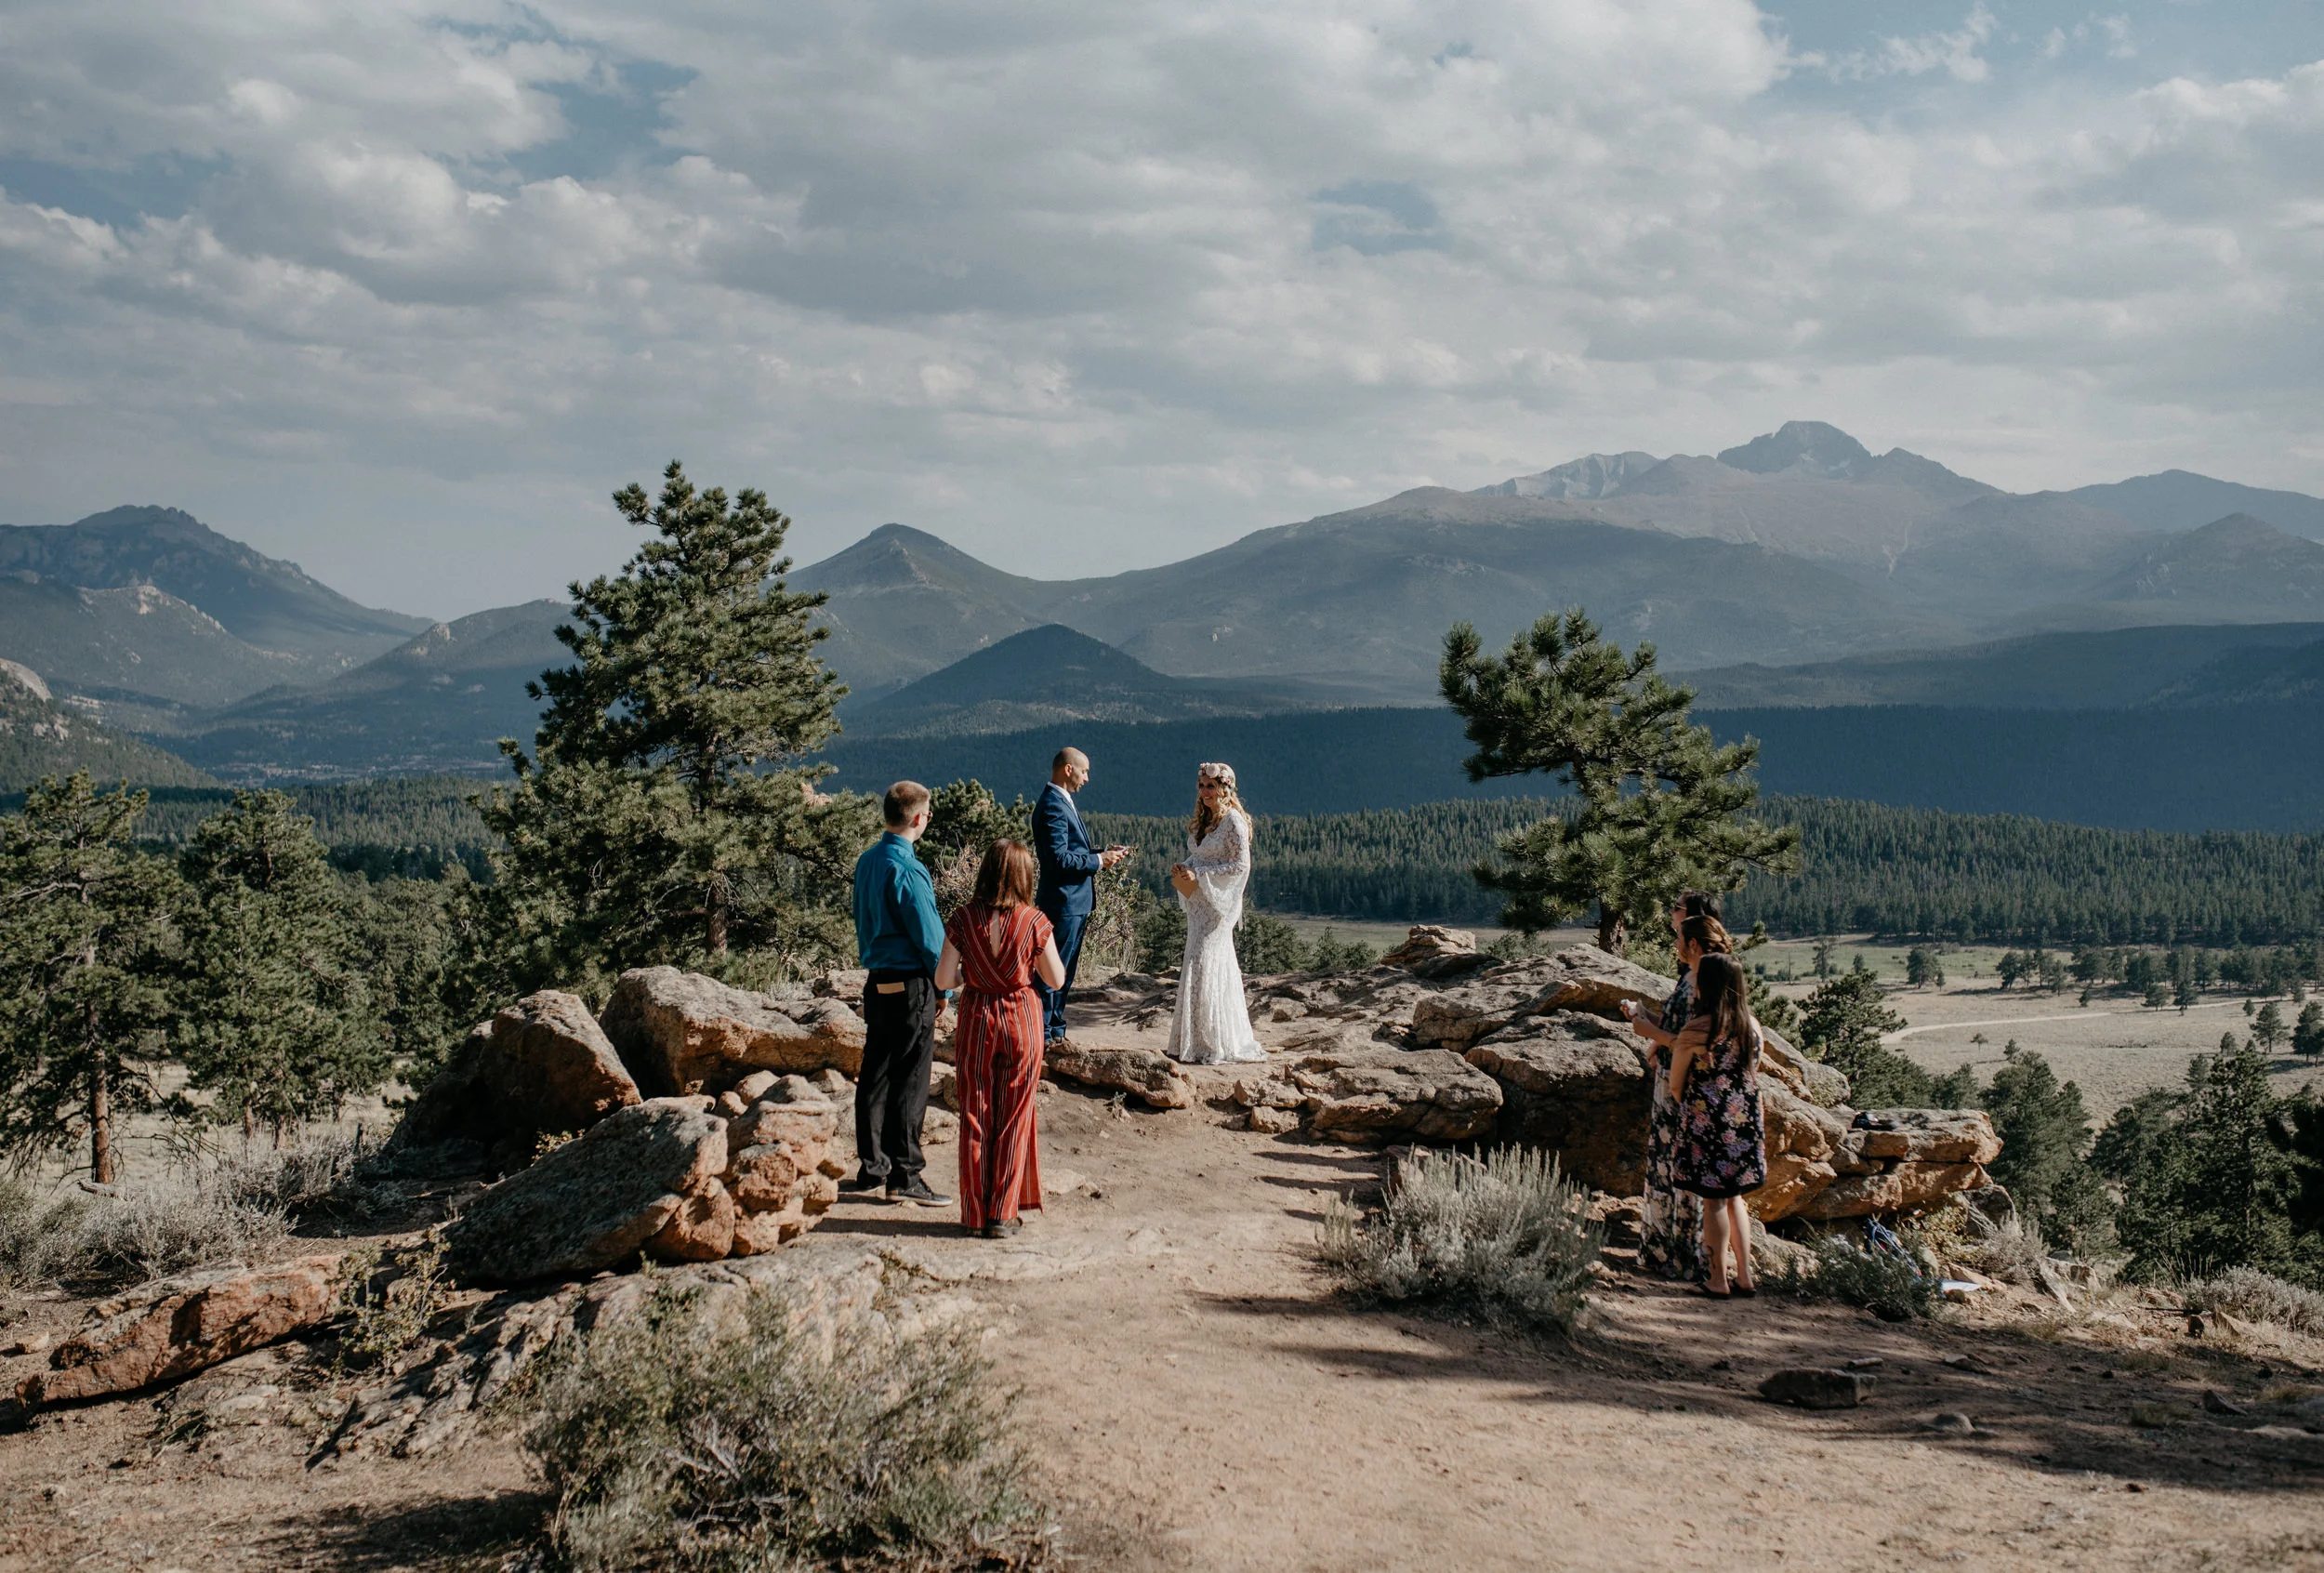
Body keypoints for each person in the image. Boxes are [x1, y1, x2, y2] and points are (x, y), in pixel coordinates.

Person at [935, 839, 1067, 1238]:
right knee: (1014, 1117)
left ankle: (973, 1213)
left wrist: (970, 975)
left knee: (974, 1115)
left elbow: (943, 979)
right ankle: (1003, 1213)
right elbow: (1056, 979)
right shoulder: (1034, 921)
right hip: (1021, 1019)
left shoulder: (962, 919)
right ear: (1024, 875)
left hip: (976, 1017)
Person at [847, 781, 952, 1208]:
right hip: (911, 985)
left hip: (877, 981)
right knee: (911, 1078)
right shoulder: (908, 869)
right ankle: (906, 1175)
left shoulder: (867, 862)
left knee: (875, 1074)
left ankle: (873, 1168)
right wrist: (942, 986)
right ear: (919, 818)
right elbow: (930, 937)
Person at [1619, 894, 1729, 1281]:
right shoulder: (1690, 974)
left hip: (1687, 1083)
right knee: (1668, 1164)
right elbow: (1679, 1027)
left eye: (1677, 908)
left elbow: (1693, 1039)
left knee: (1682, 1167)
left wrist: (1652, 1033)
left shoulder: (1708, 980)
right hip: (1671, 1074)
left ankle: (1684, 1255)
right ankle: (1662, 1247)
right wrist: (1648, 1021)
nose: (1670, 914)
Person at [1669, 950, 1767, 1298]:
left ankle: (1717, 1279)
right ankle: (1745, 1276)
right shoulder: (1752, 1027)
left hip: (1707, 1119)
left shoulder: (1697, 1029)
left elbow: (1676, 1082)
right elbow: (1752, 1070)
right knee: (1735, 1198)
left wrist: (1694, 1109)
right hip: (1744, 1119)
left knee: (1712, 1203)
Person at [1166, 761, 1268, 1064]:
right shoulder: (1204, 820)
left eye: (1211, 786)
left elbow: (1241, 866)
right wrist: (1186, 867)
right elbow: (1201, 855)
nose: (1205, 792)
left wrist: (1202, 875)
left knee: (1205, 963)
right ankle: (1194, 1040)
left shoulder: (1233, 821)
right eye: (1201, 786)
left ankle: (1214, 1042)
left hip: (1216, 909)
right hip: (1198, 907)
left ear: (1225, 788)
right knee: (1195, 963)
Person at [1031, 747, 1129, 1045]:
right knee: (1052, 974)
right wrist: (1099, 862)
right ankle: (1043, 1034)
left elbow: (1071, 852)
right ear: (1068, 769)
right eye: (1084, 771)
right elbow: (1058, 860)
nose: (1087, 778)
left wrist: (1101, 854)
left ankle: (1056, 1029)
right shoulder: (1052, 806)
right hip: (1063, 904)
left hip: (1074, 903)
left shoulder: (1062, 802)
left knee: (1065, 974)